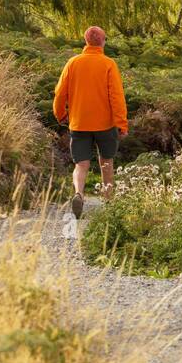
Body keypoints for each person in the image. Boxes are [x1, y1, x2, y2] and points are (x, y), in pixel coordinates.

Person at [53, 26, 127, 219]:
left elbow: (60, 93)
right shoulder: (108, 64)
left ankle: (79, 193)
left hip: (79, 122)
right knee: (106, 162)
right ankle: (109, 203)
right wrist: (122, 123)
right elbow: (117, 97)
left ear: (86, 41)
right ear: (102, 41)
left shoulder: (73, 63)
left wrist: (60, 114)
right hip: (105, 124)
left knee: (81, 165)